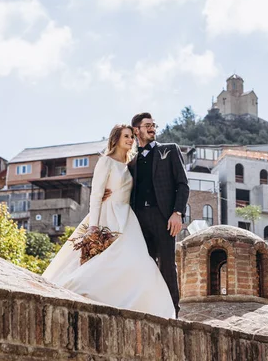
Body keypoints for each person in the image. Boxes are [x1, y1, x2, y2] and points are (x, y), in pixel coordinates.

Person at [42, 124, 175, 319]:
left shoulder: (130, 164)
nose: (130, 140)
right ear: (116, 139)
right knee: (105, 260)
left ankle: (147, 306)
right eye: (126, 136)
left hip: (128, 218)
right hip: (108, 216)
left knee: (140, 261)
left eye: (132, 137)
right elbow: (95, 196)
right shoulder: (106, 162)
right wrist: (94, 226)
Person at [126, 112, 189, 317]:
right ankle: (148, 308)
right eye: (147, 125)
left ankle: (173, 312)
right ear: (137, 130)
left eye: (154, 125)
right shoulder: (132, 163)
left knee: (167, 265)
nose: (152, 128)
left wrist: (177, 213)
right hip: (139, 220)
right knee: (144, 264)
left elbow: (182, 184)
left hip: (164, 218)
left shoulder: (169, 150)